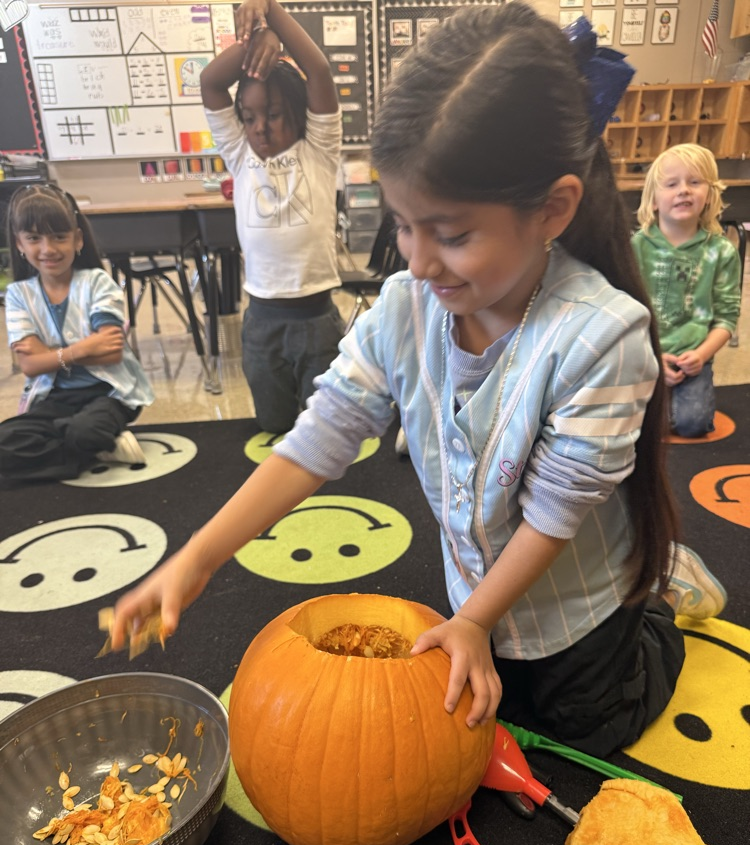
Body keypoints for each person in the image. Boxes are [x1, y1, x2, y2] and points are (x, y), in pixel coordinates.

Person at [111, 6, 727, 757]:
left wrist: (473, 621)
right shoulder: (406, 305)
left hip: (578, 605)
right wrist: (197, 557)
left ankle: (657, 599)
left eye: (454, 234)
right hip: (485, 595)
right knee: (474, 715)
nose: (420, 262)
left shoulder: (601, 335)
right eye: (403, 225)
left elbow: (554, 514)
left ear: (553, 210)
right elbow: (317, 440)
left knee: (585, 727)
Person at [200, 0, 344, 434]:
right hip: (261, 321)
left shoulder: (318, 149)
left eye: (274, 115)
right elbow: (210, 81)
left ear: (297, 115)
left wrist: (273, 17)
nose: (260, 127)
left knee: (324, 429)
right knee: (273, 425)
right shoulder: (241, 155)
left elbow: (318, 71)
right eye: (248, 117)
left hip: (317, 320)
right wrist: (256, 42)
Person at [0, 184, 153, 482]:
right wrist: (82, 349)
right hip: (55, 398)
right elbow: (30, 366)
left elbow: (110, 351)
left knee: (87, 430)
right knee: (6, 441)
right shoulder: (19, 294)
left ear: (77, 239)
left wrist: (51, 355)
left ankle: (74, 444)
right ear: (19, 244)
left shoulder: (96, 282)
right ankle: (94, 449)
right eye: (34, 238)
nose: (48, 249)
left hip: (109, 392)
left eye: (59, 236)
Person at [632, 144, 741, 438]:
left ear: (710, 195)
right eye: (671, 184)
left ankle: (668, 404)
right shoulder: (635, 248)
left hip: (692, 360)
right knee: (628, 423)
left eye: (695, 182)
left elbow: (726, 318)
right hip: (642, 354)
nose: (684, 190)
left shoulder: (722, 252)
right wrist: (652, 355)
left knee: (692, 425)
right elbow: (623, 313)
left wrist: (701, 355)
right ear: (653, 200)